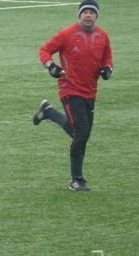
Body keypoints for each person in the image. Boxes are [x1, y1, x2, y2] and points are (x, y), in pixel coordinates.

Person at [32, 0, 112, 192]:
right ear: (79, 15)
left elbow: (107, 57)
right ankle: (76, 180)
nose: (88, 15)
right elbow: (45, 50)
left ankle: (49, 113)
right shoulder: (67, 34)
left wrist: (107, 68)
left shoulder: (102, 35)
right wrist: (51, 66)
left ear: (96, 15)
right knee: (81, 134)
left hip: (91, 91)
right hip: (70, 89)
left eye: (92, 12)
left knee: (81, 134)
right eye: (85, 12)